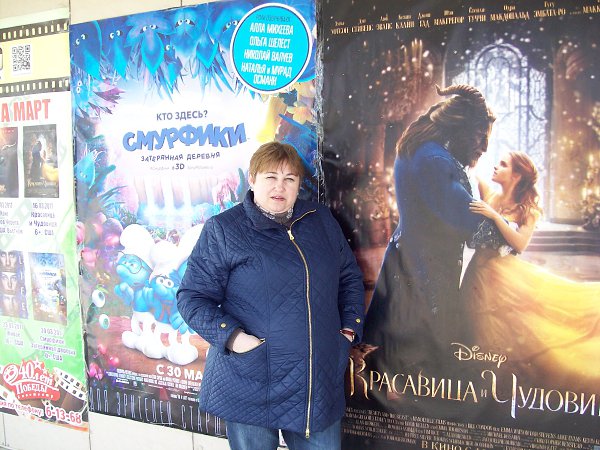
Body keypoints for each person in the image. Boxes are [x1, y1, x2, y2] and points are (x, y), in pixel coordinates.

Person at [177, 141, 365, 450]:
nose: (280, 186)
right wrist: (235, 339)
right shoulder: (224, 229)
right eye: (271, 177)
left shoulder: (320, 220)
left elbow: (349, 278)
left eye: (289, 178)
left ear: (298, 185)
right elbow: (192, 297)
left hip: (314, 383)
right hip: (250, 377)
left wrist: (348, 330)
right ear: (252, 180)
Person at [362, 84, 496, 375]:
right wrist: (507, 227)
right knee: (425, 367)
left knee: (393, 361)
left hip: (409, 262)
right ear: (460, 128)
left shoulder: (423, 150)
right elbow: (467, 218)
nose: (484, 147)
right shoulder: (435, 160)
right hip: (425, 274)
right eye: (480, 135)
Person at [461, 151, 600, 388]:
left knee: (527, 322)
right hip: (478, 272)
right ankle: (485, 379)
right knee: (481, 327)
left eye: (503, 165)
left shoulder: (528, 210)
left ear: (516, 176)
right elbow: (470, 168)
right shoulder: (489, 194)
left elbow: (520, 244)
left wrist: (495, 216)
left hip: (503, 274)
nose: (496, 167)